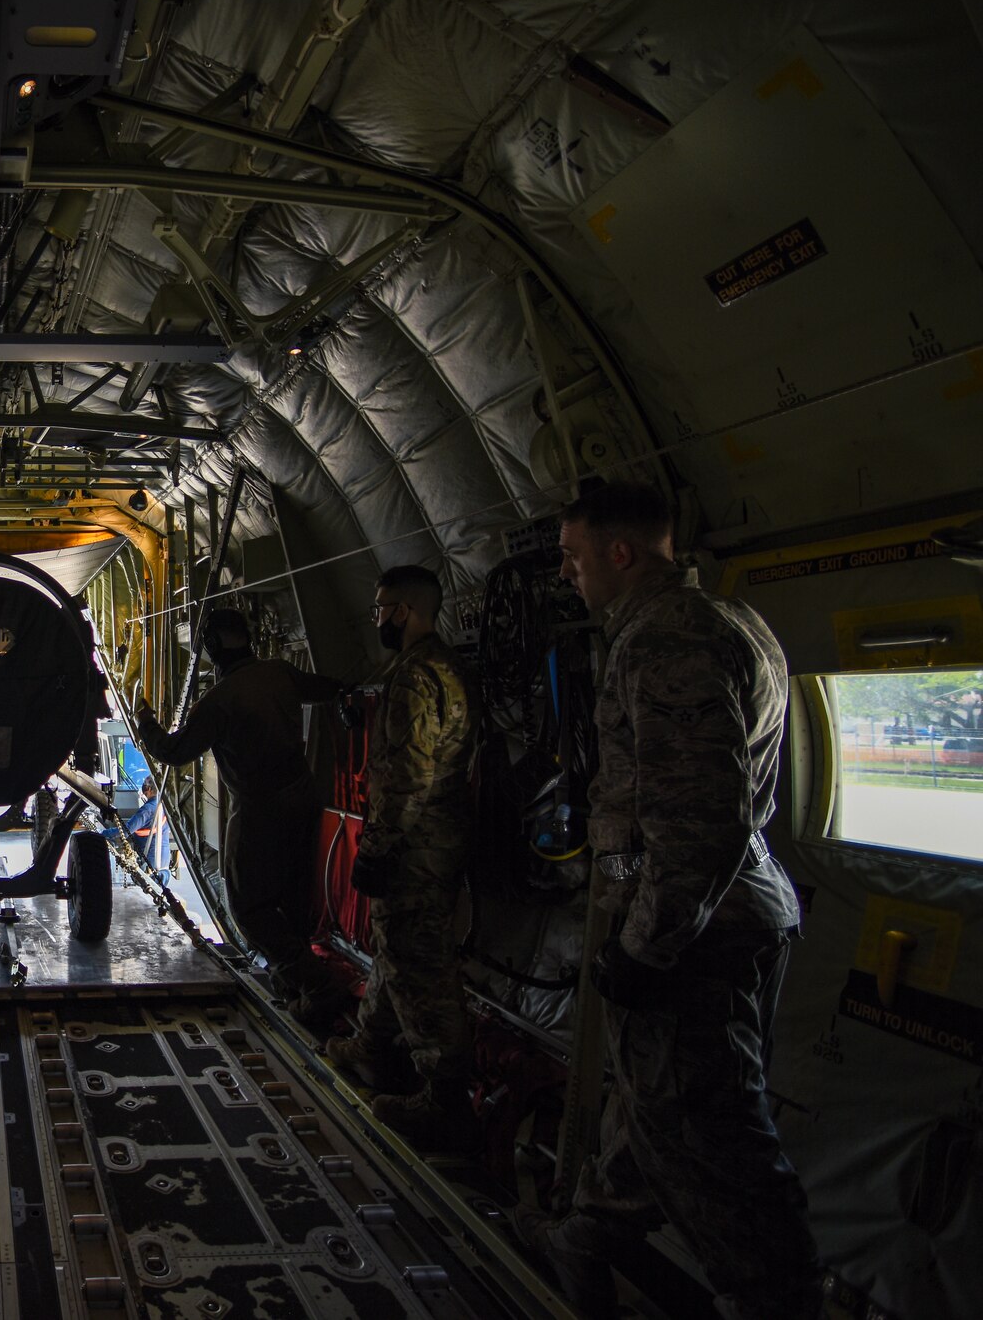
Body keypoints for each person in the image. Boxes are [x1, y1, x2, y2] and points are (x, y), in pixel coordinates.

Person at [518, 482, 819, 1320]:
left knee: (714, 1136)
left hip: (695, 933)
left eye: (576, 556)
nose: (569, 574)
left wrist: (643, 947)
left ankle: (775, 1298)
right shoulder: (727, 621)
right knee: (656, 1104)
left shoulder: (670, 639)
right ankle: (590, 1235)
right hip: (716, 914)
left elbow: (694, 822)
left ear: (622, 553)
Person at [323, 565, 482, 1151]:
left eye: (381, 608)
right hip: (440, 840)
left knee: (421, 966)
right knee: (397, 949)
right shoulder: (449, 667)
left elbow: (409, 775)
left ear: (405, 612)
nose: (377, 619)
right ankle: (370, 1046)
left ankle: (445, 1101)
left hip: (414, 847)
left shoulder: (416, 677)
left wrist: (378, 846)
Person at [135, 608, 340, 1000]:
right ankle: (297, 987)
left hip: (259, 811)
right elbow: (327, 688)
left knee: (248, 908)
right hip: (304, 799)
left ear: (211, 647)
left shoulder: (219, 701)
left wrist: (145, 720)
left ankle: (310, 980)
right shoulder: (281, 673)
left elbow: (173, 751)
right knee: (293, 897)